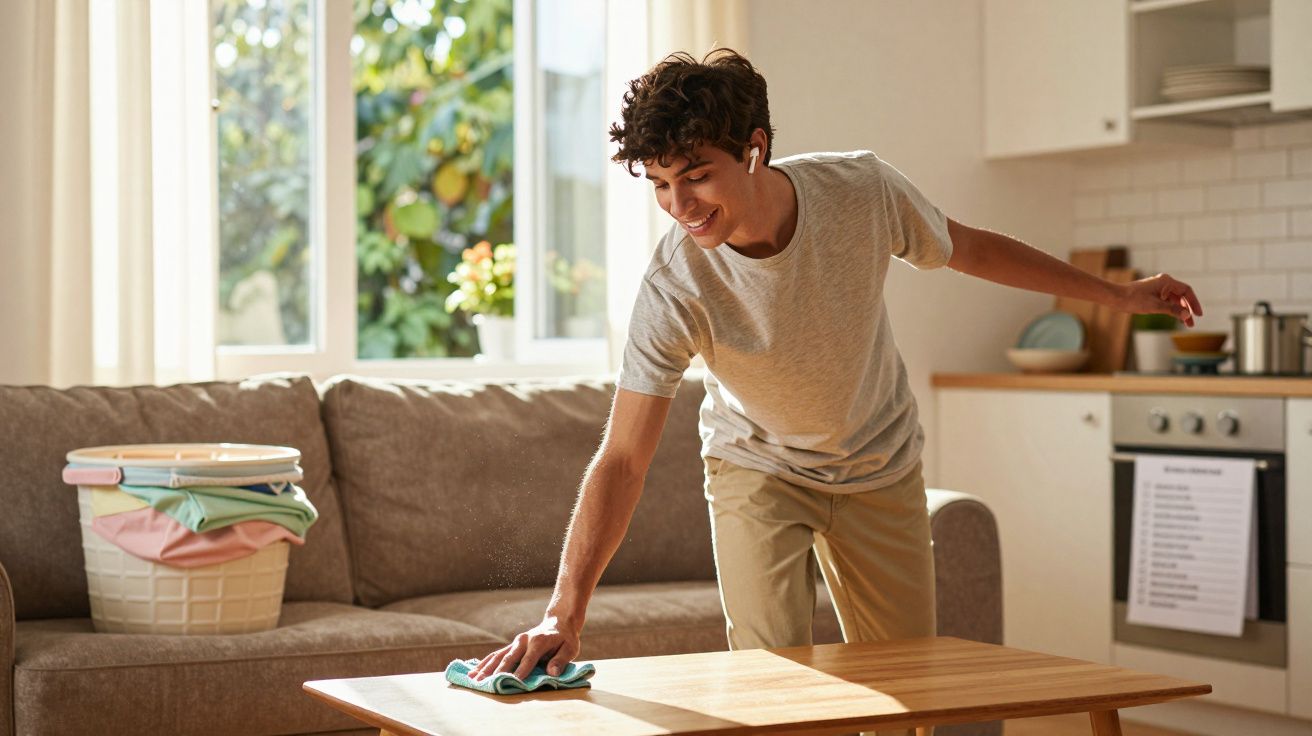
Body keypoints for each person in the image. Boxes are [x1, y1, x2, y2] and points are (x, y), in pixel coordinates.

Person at [470, 48, 1201, 689]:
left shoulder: (861, 191)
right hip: (758, 468)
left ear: (753, 149)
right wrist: (563, 612)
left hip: (878, 462)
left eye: (695, 176)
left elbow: (970, 248)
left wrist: (1114, 295)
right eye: (660, 184)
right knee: (771, 685)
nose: (680, 206)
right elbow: (623, 458)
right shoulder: (675, 285)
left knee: (907, 685)